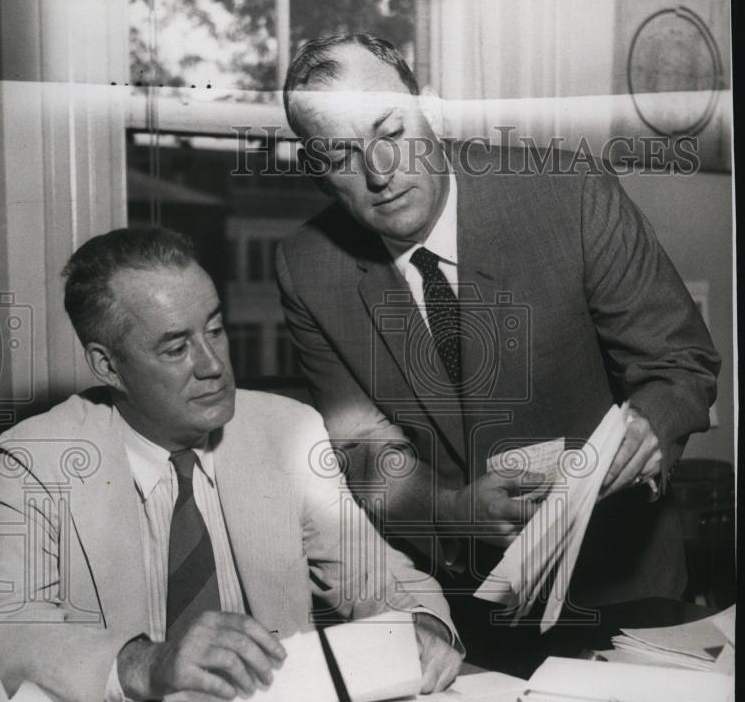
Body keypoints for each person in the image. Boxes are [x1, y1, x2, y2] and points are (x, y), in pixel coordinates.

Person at [276, 33, 720, 636]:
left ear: (431, 111)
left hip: (621, 582)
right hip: (453, 599)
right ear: (316, 172)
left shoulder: (570, 192)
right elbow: (360, 442)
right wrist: (452, 511)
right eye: (341, 155)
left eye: (392, 132)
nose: (379, 173)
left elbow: (678, 361)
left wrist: (648, 427)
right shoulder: (307, 267)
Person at [0, 228, 463, 702]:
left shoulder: (285, 431)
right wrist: (150, 663)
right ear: (108, 366)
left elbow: (376, 576)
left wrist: (422, 628)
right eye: (176, 347)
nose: (213, 365)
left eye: (216, 329)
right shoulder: (39, 459)